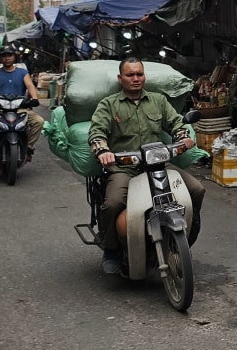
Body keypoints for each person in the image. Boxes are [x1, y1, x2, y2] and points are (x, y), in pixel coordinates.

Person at [87, 57, 205, 275]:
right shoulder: (109, 104)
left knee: (196, 189)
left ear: (144, 76)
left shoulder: (158, 100)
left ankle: (187, 238)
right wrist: (102, 151)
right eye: (130, 75)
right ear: (120, 78)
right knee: (112, 203)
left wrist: (183, 137)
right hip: (124, 168)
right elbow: (97, 132)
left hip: (158, 164)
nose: (135, 79)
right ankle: (111, 249)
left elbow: (176, 123)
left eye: (139, 74)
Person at [0, 46, 44, 162]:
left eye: (9, 55)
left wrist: (35, 98)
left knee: (39, 121)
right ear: (0, 58)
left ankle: (28, 148)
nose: (7, 58)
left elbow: (30, 86)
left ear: (14, 57)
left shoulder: (23, 73)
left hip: (20, 108)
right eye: (4, 56)